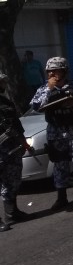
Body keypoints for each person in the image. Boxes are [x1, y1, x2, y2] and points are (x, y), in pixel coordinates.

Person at [29, 57, 73, 211]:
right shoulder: (43, 89)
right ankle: (62, 198)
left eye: (56, 70)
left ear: (64, 71)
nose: (52, 73)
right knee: (60, 165)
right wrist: (49, 89)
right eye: (49, 71)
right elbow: (35, 106)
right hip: (56, 133)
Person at [0, 72, 31, 231]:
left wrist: (23, 141)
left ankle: (12, 212)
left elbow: (16, 124)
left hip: (11, 148)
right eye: (1, 82)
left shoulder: (6, 102)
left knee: (12, 180)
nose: (3, 84)